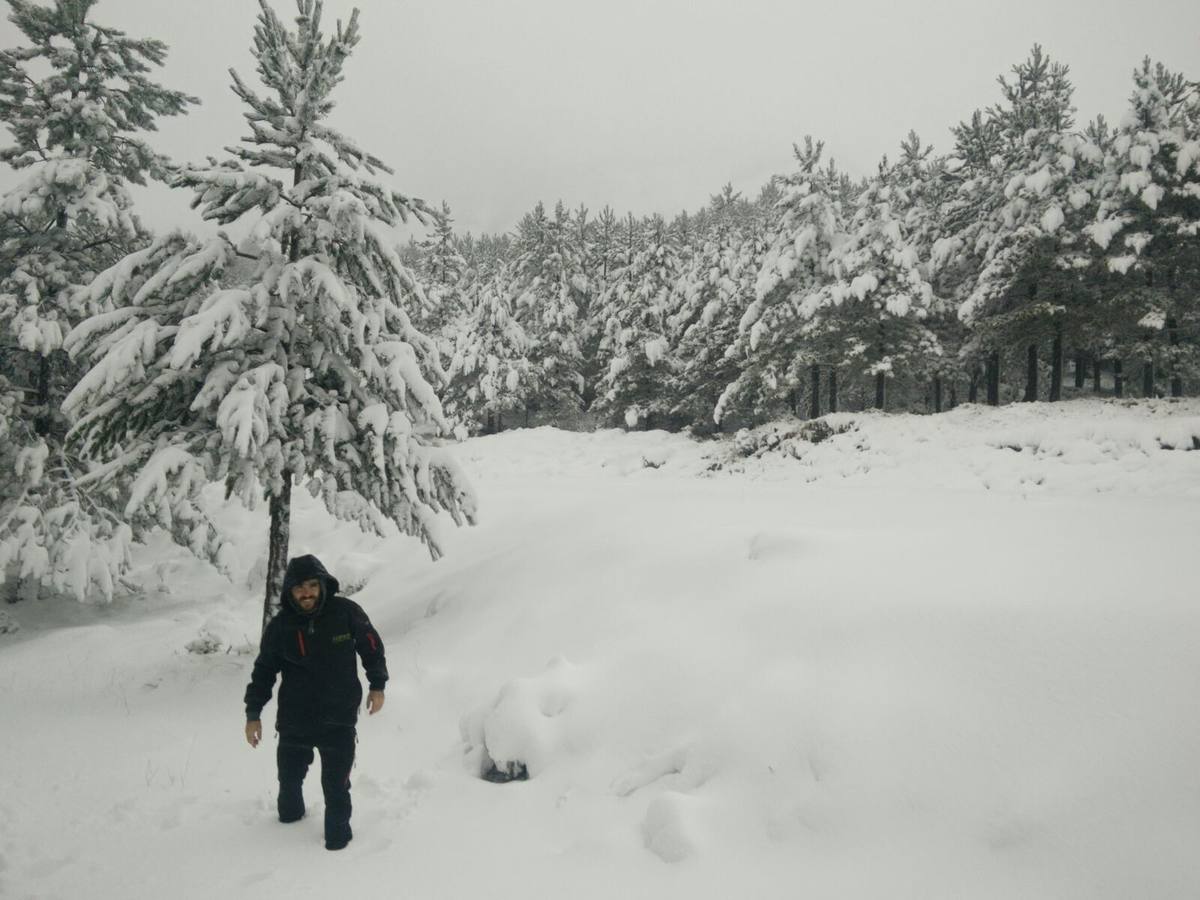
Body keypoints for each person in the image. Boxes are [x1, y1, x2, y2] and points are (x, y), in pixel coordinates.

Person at [243, 554, 388, 850]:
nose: (306, 593)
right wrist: (253, 713)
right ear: (289, 592)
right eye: (299, 588)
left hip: (339, 719)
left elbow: (371, 646)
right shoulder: (280, 627)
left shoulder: (346, 613)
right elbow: (264, 671)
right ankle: (287, 827)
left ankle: (337, 846)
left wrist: (377, 684)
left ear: (322, 585)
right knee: (289, 783)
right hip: (295, 720)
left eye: (312, 585)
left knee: (336, 787)